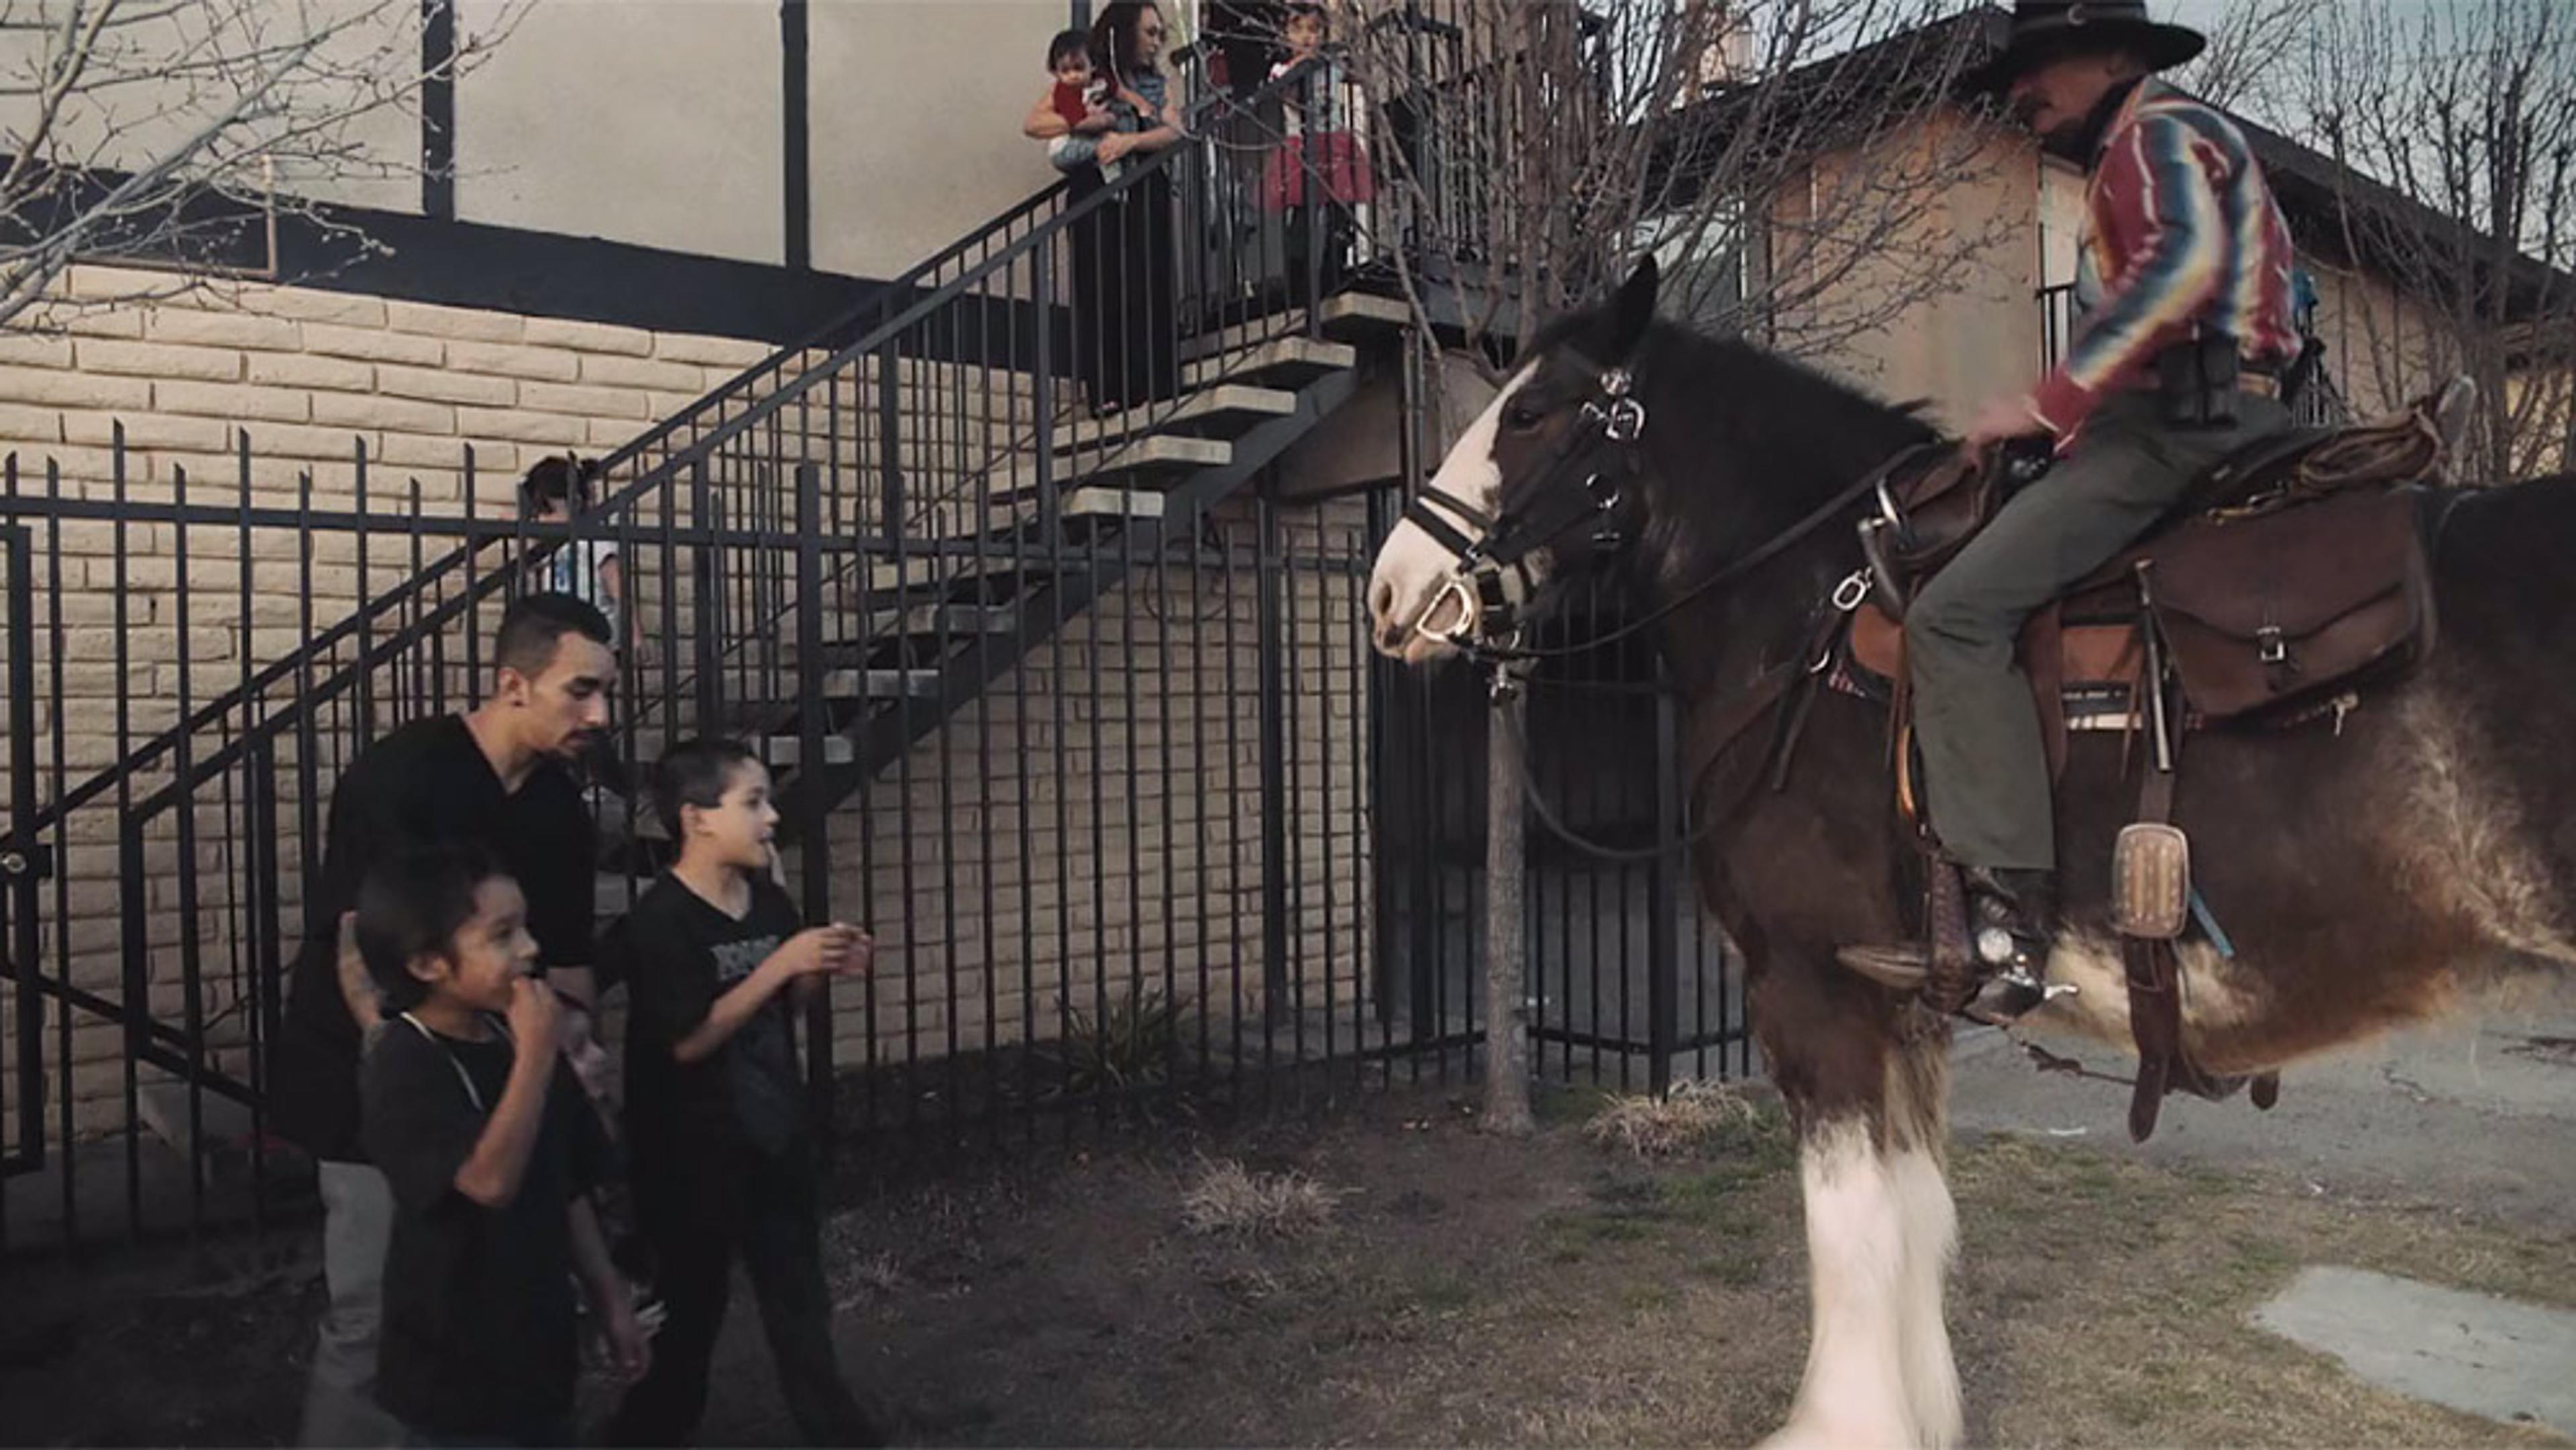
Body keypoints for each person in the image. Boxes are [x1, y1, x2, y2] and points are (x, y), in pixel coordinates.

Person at [1889, 0, 2298, 999]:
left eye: (2043, 65)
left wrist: (2047, 401)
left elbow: (2180, 273)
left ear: (2116, 56)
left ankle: (2011, 918)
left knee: (1951, 615)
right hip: (2198, 418)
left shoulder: (2154, 137)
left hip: (2175, 431)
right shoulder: (2166, 147)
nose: (2022, 93)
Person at [271, 592, 617, 1447]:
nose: (599, 713)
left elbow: (566, 952)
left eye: (605, 690)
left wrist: (574, 1040)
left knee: (487, 1301)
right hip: (373, 1075)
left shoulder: (559, 809)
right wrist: (404, 1061)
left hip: (501, 1077)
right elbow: (359, 942)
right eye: (580, 690)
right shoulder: (405, 775)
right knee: (372, 1308)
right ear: (512, 683)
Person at [604, 738, 881, 1447]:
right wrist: (779, 964)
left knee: (799, 1303)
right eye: (753, 801)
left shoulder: (766, 899)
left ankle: (840, 1432)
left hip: (771, 1135)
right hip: (690, 1154)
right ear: (697, 818)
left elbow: (785, 1006)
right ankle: (644, 1434)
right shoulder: (661, 920)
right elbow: (688, 1040)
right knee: (691, 1314)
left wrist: (819, 965)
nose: (770, 816)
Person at [356, 845, 650, 1446]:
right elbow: (488, 1182)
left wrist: (610, 1298)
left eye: (526, 927)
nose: (530, 950)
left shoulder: (510, 1037)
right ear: (428, 962)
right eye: (502, 935)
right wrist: (538, 1057)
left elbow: (567, 1182)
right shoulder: (406, 1062)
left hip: (537, 1350)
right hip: (452, 1368)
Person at [1067, 1, 1187, 414]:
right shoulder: (1090, 75)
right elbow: (1044, 120)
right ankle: (1107, 390)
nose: (1156, 42)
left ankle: (1151, 385)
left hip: (1143, 187)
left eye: (1160, 34)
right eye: (1149, 32)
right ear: (1122, 31)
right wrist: (1089, 125)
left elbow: (1174, 130)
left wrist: (1130, 142)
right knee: (1100, 285)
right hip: (1096, 190)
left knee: (1146, 283)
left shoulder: (1155, 83)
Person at [1259, 2, 1374, 301]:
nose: (1307, 37)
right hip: (1302, 147)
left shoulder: (1330, 64)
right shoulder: (1282, 69)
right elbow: (1288, 93)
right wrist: (1304, 65)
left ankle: (1334, 268)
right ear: (1285, 36)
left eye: (1314, 30)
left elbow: (1358, 74)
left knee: (1340, 209)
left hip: (1333, 142)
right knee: (1302, 214)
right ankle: (1298, 280)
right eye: (1298, 30)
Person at [521, 454, 644, 667]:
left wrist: (634, 636)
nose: (541, 520)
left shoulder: (595, 544)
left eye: (547, 511)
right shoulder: (547, 548)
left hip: (596, 638)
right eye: (537, 513)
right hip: (561, 640)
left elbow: (620, 591)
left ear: (576, 503)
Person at [1025, 28, 1128, 182]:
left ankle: (1117, 187)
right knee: (1106, 145)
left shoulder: (1101, 84)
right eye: (1065, 71)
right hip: (1068, 150)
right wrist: (1097, 120)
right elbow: (1032, 125)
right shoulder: (1062, 91)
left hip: (1087, 156)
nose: (1073, 76)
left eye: (1078, 68)